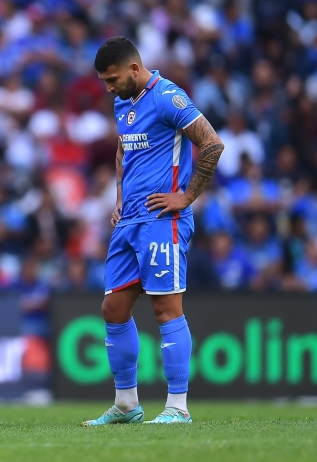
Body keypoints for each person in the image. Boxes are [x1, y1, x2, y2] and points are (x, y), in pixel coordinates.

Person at [83, 36, 224, 426]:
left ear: (133, 68)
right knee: (112, 308)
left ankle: (177, 407)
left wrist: (187, 196)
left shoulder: (168, 97)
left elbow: (211, 144)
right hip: (129, 220)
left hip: (163, 220)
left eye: (112, 79)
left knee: (165, 308)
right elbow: (122, 150)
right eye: (103, 81)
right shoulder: (121, 102)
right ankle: (127, 405)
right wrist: (118, 197)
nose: (108, 87)